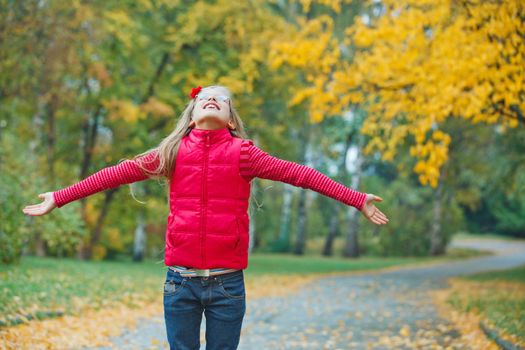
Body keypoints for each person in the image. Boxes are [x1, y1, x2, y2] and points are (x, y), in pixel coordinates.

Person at [22, 85, 389, 350]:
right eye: (204, 97)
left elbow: (301, 175)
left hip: (227, 286)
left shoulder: (245, 154)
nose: (212, 98)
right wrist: (59, 197)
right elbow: (113, 175)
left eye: (222, 98)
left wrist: (356, 198)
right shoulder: (172, 152)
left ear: (230, 118)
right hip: (178, 284)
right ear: (193, 112)